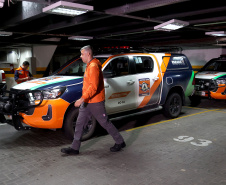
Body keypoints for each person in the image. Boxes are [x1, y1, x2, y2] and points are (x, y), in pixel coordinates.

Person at [61, 45, 126, 155]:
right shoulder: (89, 65)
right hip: (87, 101)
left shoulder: (94, 66)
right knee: (79, 123)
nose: (81, 56)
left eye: (82, 54)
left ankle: (120, 141)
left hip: (96, 102)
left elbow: (93, 87)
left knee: (105, 123)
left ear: (88, 54)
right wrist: (84, 99)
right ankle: (74, 148)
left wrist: (81, 99)